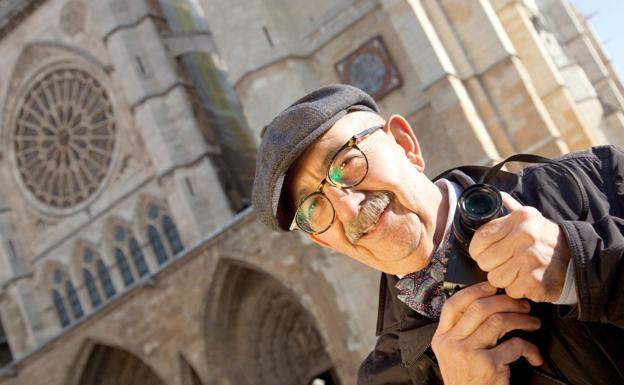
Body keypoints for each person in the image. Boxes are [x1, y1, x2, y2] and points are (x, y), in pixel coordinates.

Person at [252, 84, 624, 385]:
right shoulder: (386, 377)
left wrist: (583, 266)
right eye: (313, 207)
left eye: (346, 162)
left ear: (405, 144)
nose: (348, 207)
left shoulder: (597, 180)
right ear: (321, 239)